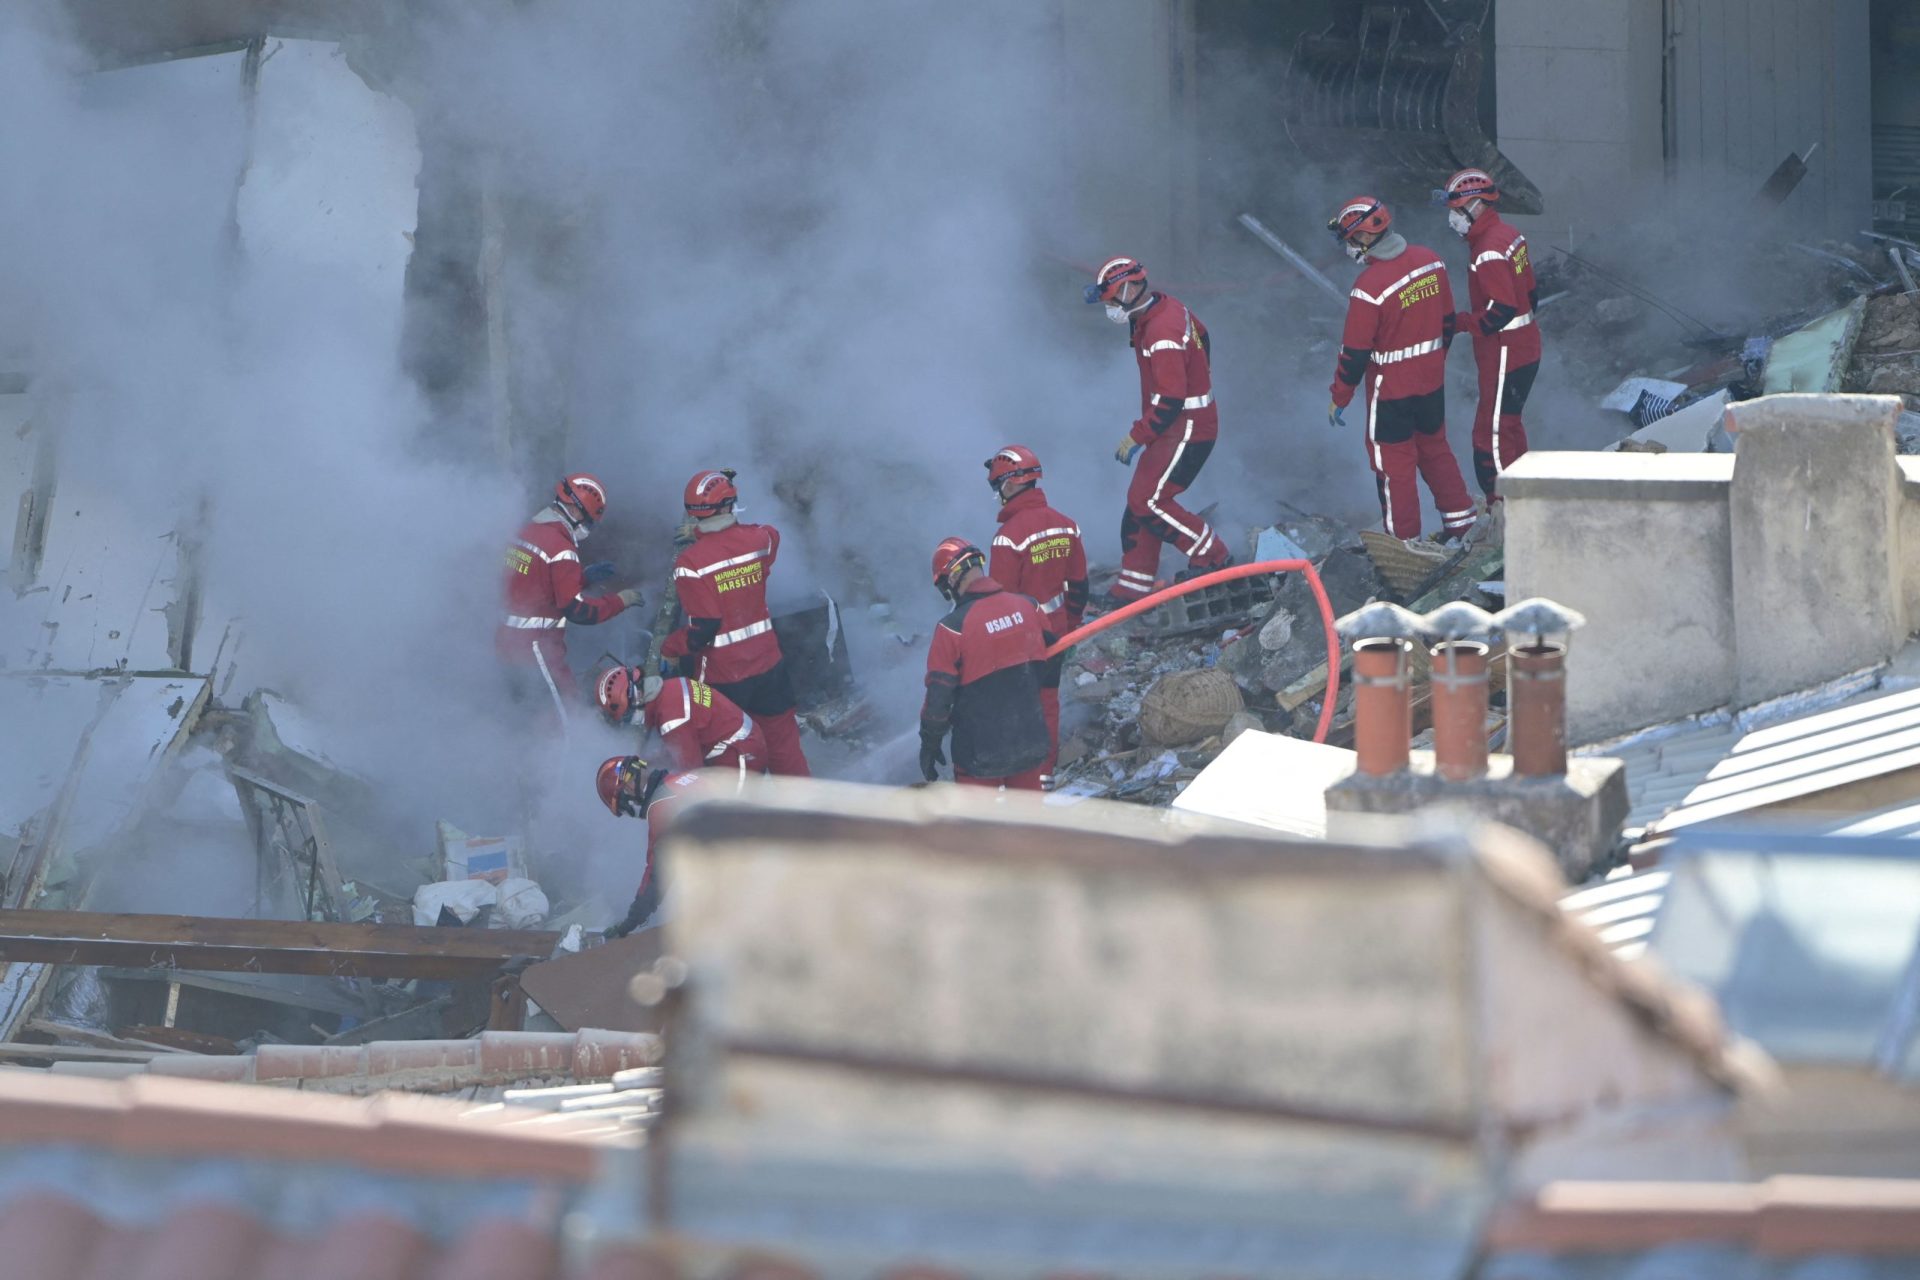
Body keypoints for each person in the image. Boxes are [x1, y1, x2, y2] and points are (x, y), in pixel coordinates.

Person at [1326, 197, 1478, 544]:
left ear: (1364, 238)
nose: (1349, 249)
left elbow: (1354, 353)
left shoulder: (1369, 289)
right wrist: (1432, 364)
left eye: (1350, 241)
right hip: (1430, 383)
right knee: (1435, 449)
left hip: (1390, 393)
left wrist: (1339, 397)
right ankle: (1465, 525)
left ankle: (1406, 546)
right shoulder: (1431, 262)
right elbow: (1447, 322)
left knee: (1394, 469)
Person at [1085, 256, 1230, 607]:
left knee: (1149, 501)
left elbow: (1170, 399)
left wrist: (1139, 435)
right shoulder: (1166, 308)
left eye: (1110, 299)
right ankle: (1133, 587)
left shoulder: (1160, 331)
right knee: (1139, 500)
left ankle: (1213, 558)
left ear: (1129, 289)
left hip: (1188, 427)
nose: (1109, 308)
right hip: (1178, 425)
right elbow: (1204, 336)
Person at [661, 469, 811, 776]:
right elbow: (772, 535)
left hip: (723, 678)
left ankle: (743, 818)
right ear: (730, 505)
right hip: (770, 666)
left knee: (732, 753)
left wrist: (670, 646)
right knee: (785, 748)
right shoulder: (758, 541)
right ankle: (806, 815)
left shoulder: (690, 564)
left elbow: (702, 630)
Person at [498, 473, 642, 725]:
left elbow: (534, 582)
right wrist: (621, 600)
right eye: (590, 521)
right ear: (576, 510)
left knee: (521, 720)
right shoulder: (561, 548)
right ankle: (564, 764)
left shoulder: (526, 531)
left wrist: (581, 578)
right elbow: (577, 610)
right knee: (563, 718)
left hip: (506, 643)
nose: (588, 528)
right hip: (536, 651)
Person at [984, 445, 1086, 787]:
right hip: (1056, 635)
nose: (998, 493)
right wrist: (1070, 630)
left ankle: (1016, 780)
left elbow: (1000, 603)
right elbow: (1080, 586)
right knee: (1048, 704)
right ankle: (1044, 775)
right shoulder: (1066, 526)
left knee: (1015, 710)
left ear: (1011, 485)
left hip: (1021, 643)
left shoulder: (1007, 539)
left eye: (998, 485)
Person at [1439, 167, 1540, 509]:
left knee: (1491, 433)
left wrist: (1460, 323)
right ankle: (1525, 493)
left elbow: (1501, 310)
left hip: (1504, 354)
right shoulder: (1510, 235)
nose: (1452, 218)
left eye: (1456, 210)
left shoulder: (1488, 251)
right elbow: (1531, 293)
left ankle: (1502, 505)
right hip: (1525, 348)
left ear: (1477, 206)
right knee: (1510, 425)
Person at [919, 537, 1052, 791]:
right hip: (1030, 742)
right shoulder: (1029, 606)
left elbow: (938, 699)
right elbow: (1052, 660)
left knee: (978, 829)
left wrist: (929, 744)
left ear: (952, 580)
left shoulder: (951, 629)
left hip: (978, 755)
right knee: (1030, 824)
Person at [594, 755, 734, 938]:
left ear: (628, 788)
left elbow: (657, 874)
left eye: (624, 806)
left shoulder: (660, 806)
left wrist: (631, 921)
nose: (632, 810)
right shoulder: (679, 780)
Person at [594, 665, 768, 774]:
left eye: (627, 716)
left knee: (727, 823)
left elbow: (691, 775)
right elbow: (679, 750)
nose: (631, 721)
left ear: (636, 699)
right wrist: (646, 763)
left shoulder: (672, 721)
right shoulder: (671, 688)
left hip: (743, 758)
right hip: (744, 745)